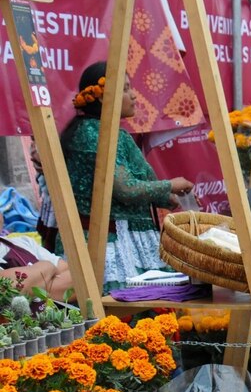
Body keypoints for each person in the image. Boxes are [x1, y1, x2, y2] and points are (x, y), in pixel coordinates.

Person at [60, 62, 193, 292]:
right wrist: (170, 185)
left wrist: (168, 196)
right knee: (122, 320)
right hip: (110, 242)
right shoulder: (95, 134)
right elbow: (126, 189)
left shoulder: (107, 132)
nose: (133, 96)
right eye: (125, 89)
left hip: (127, 240)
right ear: (103, 97)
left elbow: (140, 185)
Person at [0, 213, 72, 302]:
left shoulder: (23, 242)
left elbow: (74, 278)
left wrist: (32, 285)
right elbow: (12, 288)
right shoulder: (45, 264)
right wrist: (47, 266)